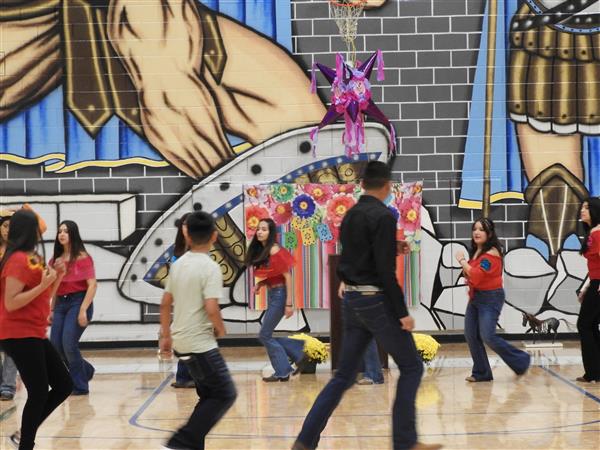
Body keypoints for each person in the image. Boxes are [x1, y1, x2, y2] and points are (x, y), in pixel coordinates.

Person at [292, 161, 441, 450]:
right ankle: (405, 442)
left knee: (344, 376)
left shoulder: (350, 216)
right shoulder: (384, 217)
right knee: (411, 367)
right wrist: (402, 313)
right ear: (386, 185)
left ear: (363, 185)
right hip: (376, 302)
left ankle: (304, 441)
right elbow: (385, 273)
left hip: (352, 301)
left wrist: (392, 246)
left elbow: (358, 256)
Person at [159, 211, 237, 450]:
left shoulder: (179, 264)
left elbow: (165, 302)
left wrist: (165, 336)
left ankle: (191, 446)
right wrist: (221, 328)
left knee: (208, 395)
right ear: (215, 236)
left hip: (181, 340)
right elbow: (211, 307)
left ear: (188, 236)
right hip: (200, 343)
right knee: (225, 393)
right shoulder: (210, 268)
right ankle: (178, 444)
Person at [0, 209, 73, 450]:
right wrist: (45, 282)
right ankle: (26, 444)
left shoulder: (32, 257)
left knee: (63, 385)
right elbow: (11, 302)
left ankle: (23, 434)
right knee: (39, 391)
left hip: (33, 331)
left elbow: (44, 294)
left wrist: (57, 277)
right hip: (18, 333)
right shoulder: (17, 260)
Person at [455, 218, 530, 382]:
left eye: (481, 229)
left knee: (488, 335)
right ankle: (482, 373)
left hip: (491, 298)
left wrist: (461, 261)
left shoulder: (491, 253)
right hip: (476, 297)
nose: (476, 232)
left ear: (489, 234)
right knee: (471, 335)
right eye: (474, 229)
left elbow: (475, 274)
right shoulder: (478, 251)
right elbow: (474, 275)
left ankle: (521, 360)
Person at [245, 218, 306, 382]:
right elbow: (275, 274)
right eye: (258, 229)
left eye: (264, 229)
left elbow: (287, 277)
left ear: (271, 232)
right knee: (266, 334)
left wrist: (289, 303)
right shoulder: (265, 250)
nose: (259, 232)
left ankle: (286, 366)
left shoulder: (274, 250)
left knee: (264, 335)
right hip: (274, 294)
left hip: (280, 296)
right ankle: (296, 353)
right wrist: (262, 284)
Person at [48, 220, 97, 396]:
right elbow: (53, 288)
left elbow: (92, 286)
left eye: (66, 231)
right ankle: (87, 370)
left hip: (79, 301)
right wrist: (51, 309)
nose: (61, 234)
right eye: (60, 231)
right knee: (55, 346)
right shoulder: (55, 261)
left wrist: (83, 309)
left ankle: (80, 386)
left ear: (73, 235)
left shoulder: (83, 258)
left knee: (69, 344)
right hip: (61, 303)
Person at [169, 213, 195, 389]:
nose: (187, 228)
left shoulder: (199, 249)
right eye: (185, 224)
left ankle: (192, 376)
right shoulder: (177, 251)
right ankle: (183, 376)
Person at [576, 198, 600, 383]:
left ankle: (593, 372)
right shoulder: (593, 233)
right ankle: (594, 372)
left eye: (586, 208)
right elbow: (594, 265)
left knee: (584, 324)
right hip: (595, 282)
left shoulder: (598, 234)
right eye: (582, 207)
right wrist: (586, 288)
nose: (582, 210)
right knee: (591, 325)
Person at [0, 210, 18, 401]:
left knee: (11, 348)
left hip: (12, 304)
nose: (8, 230)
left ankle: (8, 386)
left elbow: (41, 225)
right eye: (5, 225)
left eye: (12, 226)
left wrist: (20, 212)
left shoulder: (19, 250)